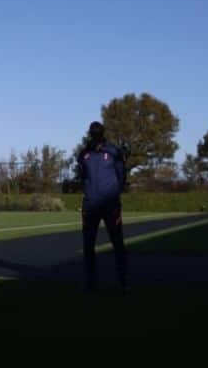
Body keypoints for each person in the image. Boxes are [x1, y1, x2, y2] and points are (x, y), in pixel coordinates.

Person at [76, 121, 128, 292]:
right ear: (90, 134)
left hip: (110, 205)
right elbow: (83, 176)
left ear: (103, 133)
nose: (95, 134)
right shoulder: (84, 154)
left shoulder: (114, 151)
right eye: (93, 132)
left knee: (117, 243)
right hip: (90, 206)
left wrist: (113, 194)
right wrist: (90, 193)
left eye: (97, 132)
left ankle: (123, 281)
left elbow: (122, 176)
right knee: (88, 245)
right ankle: (91, 282)